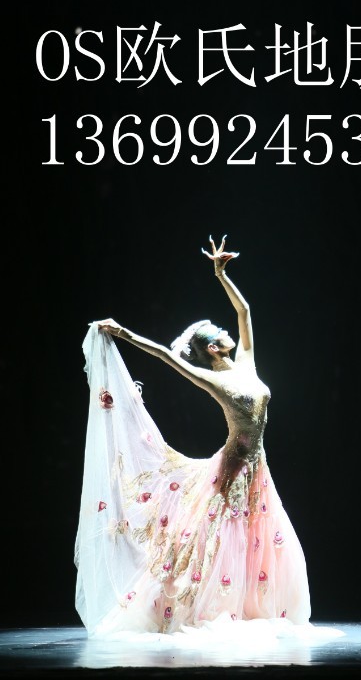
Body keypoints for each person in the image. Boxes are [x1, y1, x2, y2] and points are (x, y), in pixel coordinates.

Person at [74, 236, 311, 637]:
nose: (227, 330)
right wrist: (125, 333)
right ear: (215, 348)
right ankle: (202, 606)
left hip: (258, 470)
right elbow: (166, 356)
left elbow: (245, 311)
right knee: (220, 540)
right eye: (218, 332)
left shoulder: (247, 365)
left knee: (257, 537)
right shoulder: (215, 380)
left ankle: (248, 608)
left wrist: (221, 274)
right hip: (233, 470)